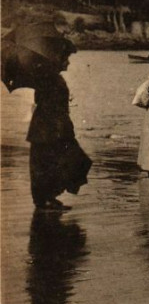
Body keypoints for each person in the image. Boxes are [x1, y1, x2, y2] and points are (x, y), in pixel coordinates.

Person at [27, 37, 92, 210]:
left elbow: (42, 100)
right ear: (58, 59)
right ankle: (45, 198)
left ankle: (46, 197)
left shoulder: (48, 76)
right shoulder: (50, 78)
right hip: (52, 127)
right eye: (66, 58)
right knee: (56, 161)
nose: (69, 63)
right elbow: (51, 105)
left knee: (47, 161)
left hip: (45, 126)